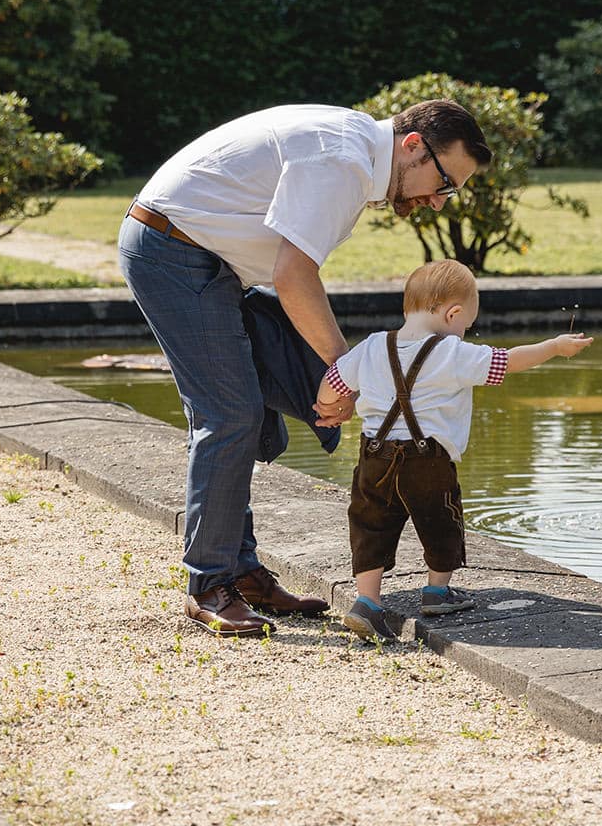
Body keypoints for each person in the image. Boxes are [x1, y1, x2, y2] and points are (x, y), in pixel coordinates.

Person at [119, 101, 492, 638]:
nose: (437, 200)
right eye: (444, 181)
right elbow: (294, 276)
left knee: (251, 406)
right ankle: (209, 583)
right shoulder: (343, 161)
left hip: (207, 258)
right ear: (413, 145)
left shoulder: (355, 153)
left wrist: (324, 367)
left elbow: (288, 273)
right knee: (229, 416)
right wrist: (344, 371)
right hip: (173, 252)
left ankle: (241, 571)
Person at [316, 259, 593, 644]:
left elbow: (332, 382)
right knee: (440, 521)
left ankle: (367, 602)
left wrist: (329, 410)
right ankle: (437, 591)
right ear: (453, 313)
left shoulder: (374, 345)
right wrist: (554, 346)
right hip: (428, 460)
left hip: (374, 456)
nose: (465, 332)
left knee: (369, 524)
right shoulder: (452, 352)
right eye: (466, 325)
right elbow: (509, 362)